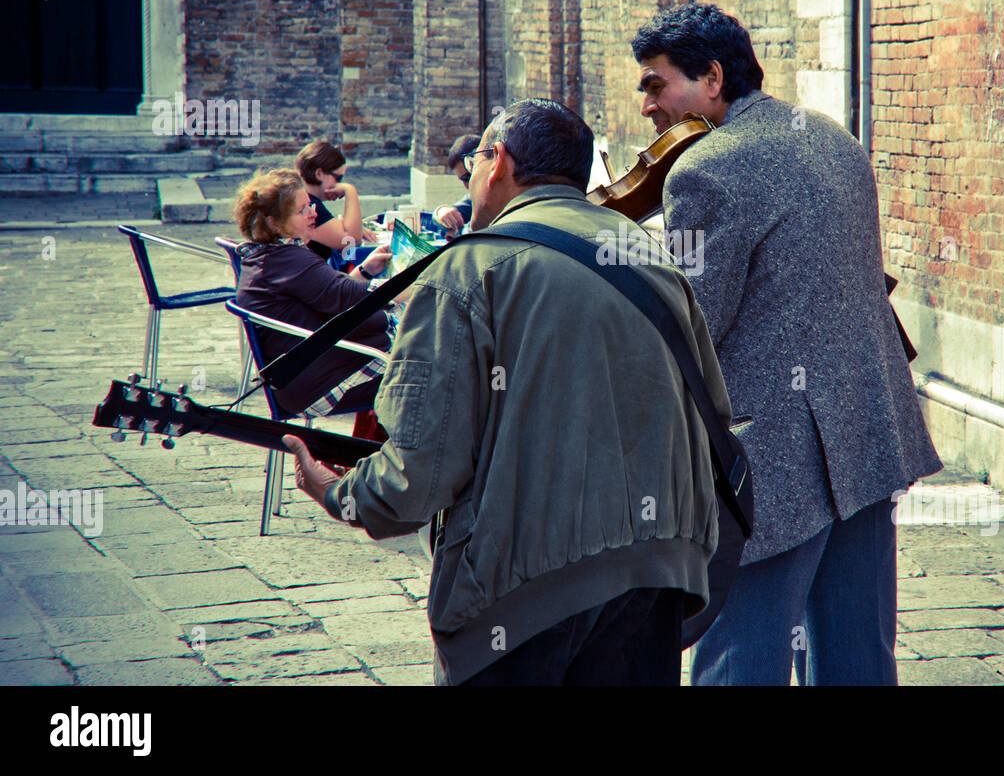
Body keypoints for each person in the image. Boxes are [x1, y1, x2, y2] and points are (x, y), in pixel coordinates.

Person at [285, 98, 730, 686]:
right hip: (659, 571)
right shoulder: (647, 251)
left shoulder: (469, 270)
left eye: (475, 161)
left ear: (497, 163)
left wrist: (343, 494)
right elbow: (713, 413)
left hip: (526, 588)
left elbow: (420, 470)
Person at [630, 2, 943, 686]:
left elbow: (694, 331)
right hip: (866, 429)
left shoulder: (705, 170)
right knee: (856, 652)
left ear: (711, 78)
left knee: (743, 655)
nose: (647, 105)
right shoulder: (833, 138)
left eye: (656, 84)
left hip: (772, 456)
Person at [232, 168, 394, 417]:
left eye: (310, 205)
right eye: (302, 210)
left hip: (299, 380)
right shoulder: (288, 260)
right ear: (274, 223)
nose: (313, 213)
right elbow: (345, 296)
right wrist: (416, 284)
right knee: (433, 371)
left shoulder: (269, 255)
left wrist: (364, 270)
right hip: (316, 386)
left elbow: (331, 294)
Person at [295, 140, 379, 261]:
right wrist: (350, 190)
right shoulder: (310, 206)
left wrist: (343, 225)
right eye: (338, 178)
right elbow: (351, 241)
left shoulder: (308, 199)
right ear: (319, 174)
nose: (340, 184)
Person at [432, 133, 480, 239]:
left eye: (468, 177)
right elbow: (455, 211)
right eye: (463, 180)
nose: (467, 186)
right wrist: (442, 211)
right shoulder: (475, 197)